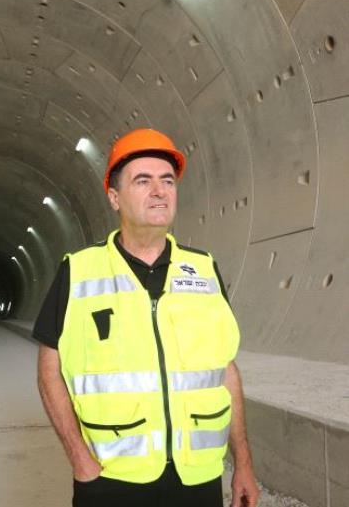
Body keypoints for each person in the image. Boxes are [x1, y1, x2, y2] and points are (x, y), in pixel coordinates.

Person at [33, 128, 260, 507]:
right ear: (114, 198)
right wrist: (80, 460)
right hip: (112, 478)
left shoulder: (203, 270)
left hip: (198, 477)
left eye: (167, 181)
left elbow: (225, 372)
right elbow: (48, 370)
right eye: (143, 181)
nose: (159, 191)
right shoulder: (78, 272)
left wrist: (244, 465)